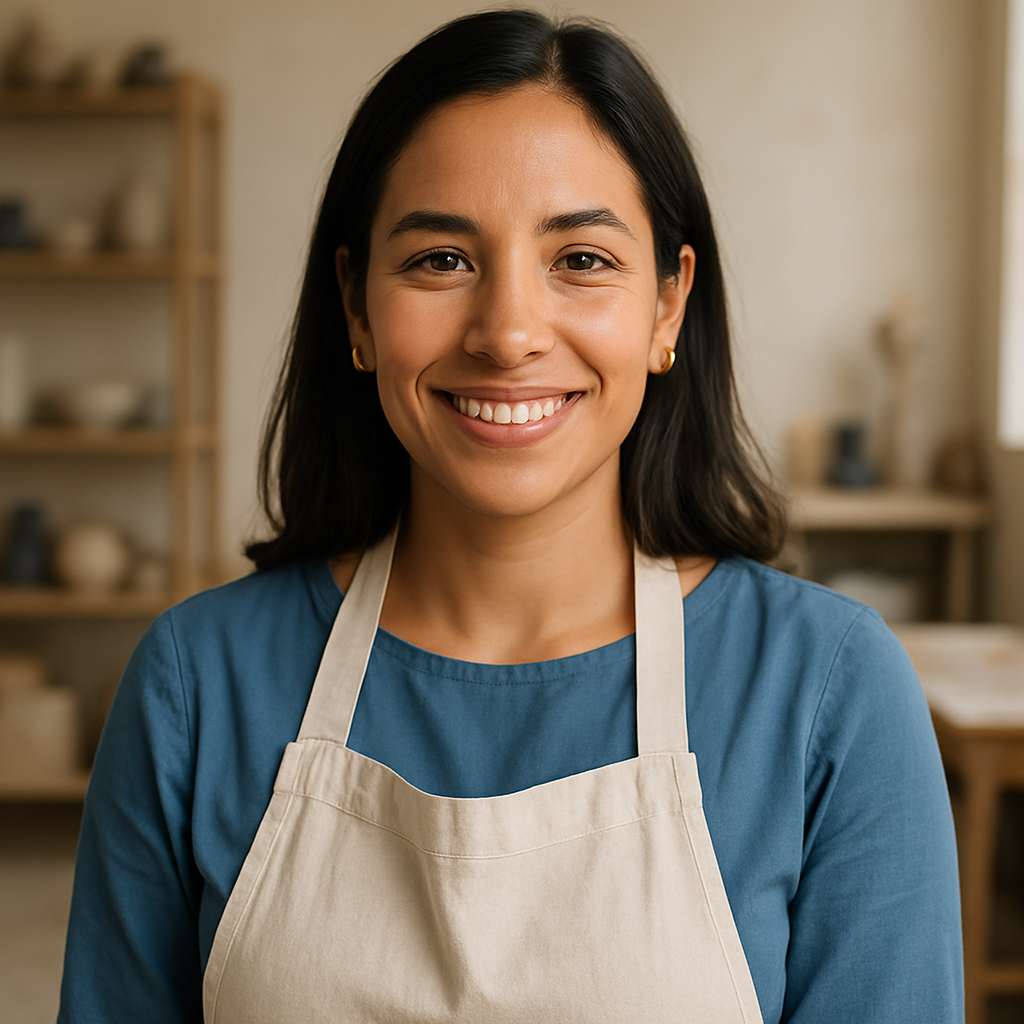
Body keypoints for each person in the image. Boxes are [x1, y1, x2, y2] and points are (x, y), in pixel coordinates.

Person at [58, 10, 963, 1023]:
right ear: (356, 308)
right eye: (441, 259)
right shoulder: (196, 686)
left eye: (580, 259)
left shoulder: (826, 692)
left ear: (668, 307)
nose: (508, 334)